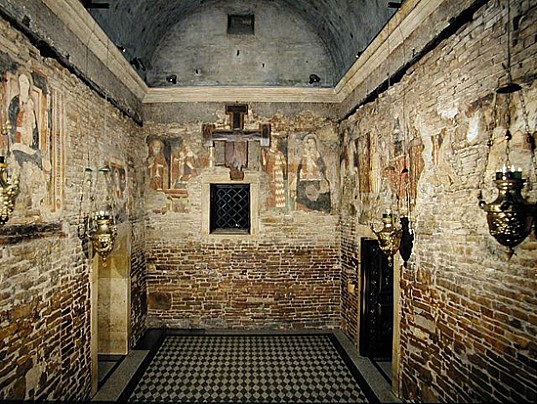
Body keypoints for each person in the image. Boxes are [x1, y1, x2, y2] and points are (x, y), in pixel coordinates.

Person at [296, 134, 331, 213]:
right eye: (308, 142)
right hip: (306, 176)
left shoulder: (317, 153)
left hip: (316, 175)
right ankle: (306, 208)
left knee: (320, 189)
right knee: (302, 187)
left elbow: (321, 165)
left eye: (311, 142)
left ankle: (319, 208)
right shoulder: (305, 154)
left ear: (315, 143)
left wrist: (316, 168)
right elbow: (302, 166)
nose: (310, 144)